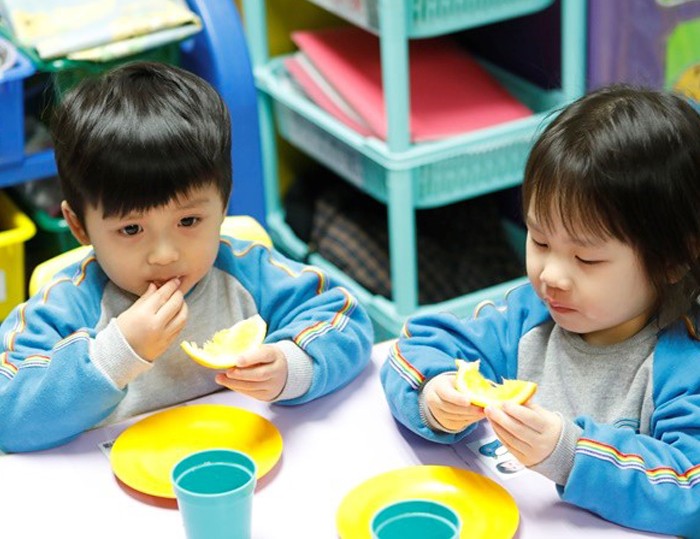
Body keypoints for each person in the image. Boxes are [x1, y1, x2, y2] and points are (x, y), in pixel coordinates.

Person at [0, 61, 374, 453]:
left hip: (240, 464)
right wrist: (114, 356)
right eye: (131, 229)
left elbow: (345, 319)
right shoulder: (65, 306)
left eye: (190, 220)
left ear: (224, 206)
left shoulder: (249, 272)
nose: (165, 255)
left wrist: (292, 366)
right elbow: (8, 414)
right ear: (79, 227)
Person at [380, 85, 700, 537]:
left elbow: (691, 489)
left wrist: (571, 453)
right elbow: (412, 348)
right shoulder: (531, 316)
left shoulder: (682, 363)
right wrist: (434, 396)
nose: (551, 275)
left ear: (672, 261)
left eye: (586, 259)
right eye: (540, 241)